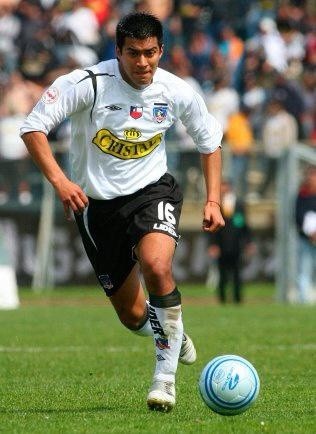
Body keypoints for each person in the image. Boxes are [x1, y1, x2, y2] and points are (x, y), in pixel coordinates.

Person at [20, 12, 225, 412]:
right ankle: (172, 327)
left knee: (157, 266)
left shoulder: (175, 90)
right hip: (97, 207)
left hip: (153, 193)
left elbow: (210, 140)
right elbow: (33, 127)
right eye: (134, 53)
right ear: (118, 51)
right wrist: (61, 182)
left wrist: (213, 199)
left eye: (151, 53)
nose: (143, 62)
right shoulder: (89, 83)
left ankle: (164, 381)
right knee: (133, 317)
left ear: (161, 50)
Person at [208, 180, 253, 304]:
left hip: (236, 244)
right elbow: (211, 227)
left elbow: (244, 224)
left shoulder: (238, 204)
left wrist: (248, 242)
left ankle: (237, 298)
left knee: (237, 273)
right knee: (222, 274)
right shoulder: (214, 205)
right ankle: (222, 299)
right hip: (221, 244)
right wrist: (213, 245)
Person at [295, 166, 316, 304]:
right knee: (304, 270)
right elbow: (298, 217)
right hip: (306, 240)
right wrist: (310, 233)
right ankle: (304, 300)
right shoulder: (302, 195)